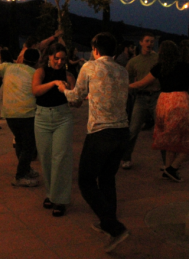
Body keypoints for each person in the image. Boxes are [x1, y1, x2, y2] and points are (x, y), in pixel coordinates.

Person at [58, 32, 131, 253]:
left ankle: (114, 227)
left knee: (86, 181)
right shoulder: (122, 70)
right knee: (107, 178)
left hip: (101, 132)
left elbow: (76, 97)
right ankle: (108, 222)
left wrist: (64, 90)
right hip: (122, 131)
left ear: (95, 49)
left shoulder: (90, 67)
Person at [130, 41, 189, 182]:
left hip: (163, 101)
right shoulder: (184, 66)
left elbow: (142, 83)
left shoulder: (159, 67)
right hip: (180, 101)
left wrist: (126, 86)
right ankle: (173, 167)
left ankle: (168, 169)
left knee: (169, 138)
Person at [32, 42, 75, 217]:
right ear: (49, 56)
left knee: (61, 158)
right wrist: (54, 83)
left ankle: (61, 199)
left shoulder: (68, 75)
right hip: (42, 118)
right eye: (56, 58)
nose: (59, 62)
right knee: (46, 157)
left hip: (62, 117)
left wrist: (74, 95)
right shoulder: (41, 72)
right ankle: (50, 194)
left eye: (63, 59)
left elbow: (75, 99)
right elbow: (35, 90)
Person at [0, 48, 40, 187]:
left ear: (22, 58)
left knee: (20, 142)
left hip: (9, 113)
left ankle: (25, 169)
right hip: (27, 113)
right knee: (28, 145)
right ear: (37, 61)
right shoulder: (36, 73)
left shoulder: (8, 67)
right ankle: (20, 175)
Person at [121, 33, 160, 170]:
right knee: (133, 129)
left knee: (162, 129)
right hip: (141, 97)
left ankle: (167, 162)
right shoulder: (134, 61)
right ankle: (126, 157)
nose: (150, 44)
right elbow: (127, 78)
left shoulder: (158, 59)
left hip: (156, 96)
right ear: (141, 42)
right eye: (147, 41)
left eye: (152, 41)